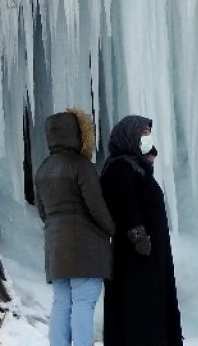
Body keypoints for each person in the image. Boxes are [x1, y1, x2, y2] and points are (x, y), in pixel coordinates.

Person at [100, 115, 183, 345]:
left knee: (151, 298)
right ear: (130, 135)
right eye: (143, 132)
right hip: (135, 251)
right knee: (139, 300)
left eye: (148, 132)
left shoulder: (134, 165)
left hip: (148, 249)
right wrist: (138, 235)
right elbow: (124, 204)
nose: (147, 137)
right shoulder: (120, 166)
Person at [34, 108, 115, 346]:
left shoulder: (43, 168)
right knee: (84, 301)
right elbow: (96, 206)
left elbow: (42, 212)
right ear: (78, 133)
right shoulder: (81, 166)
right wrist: (113, 229)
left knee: (61, 302)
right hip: (85, 247)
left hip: (55, 246)